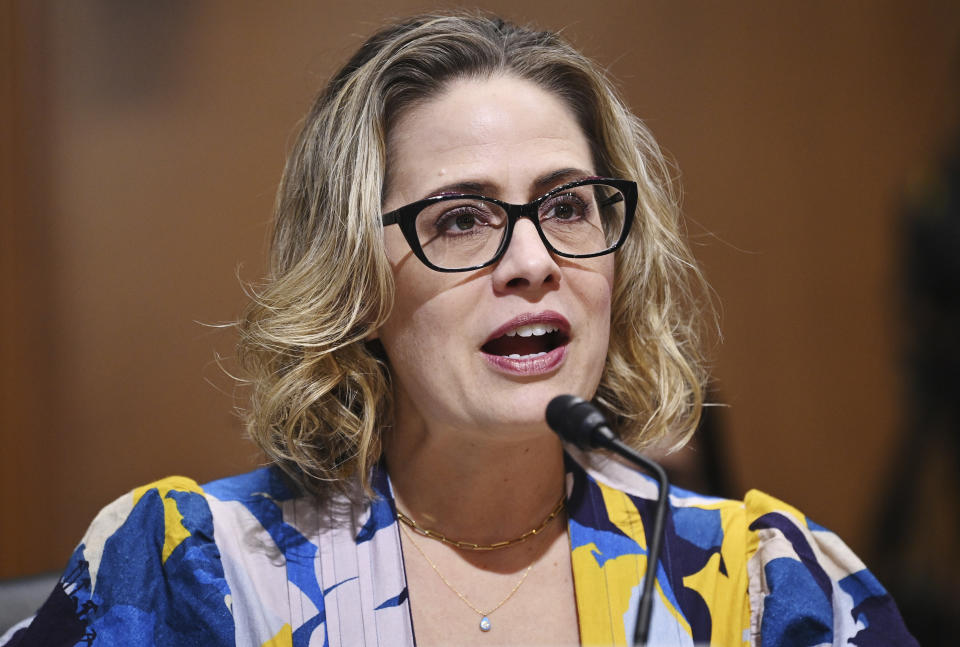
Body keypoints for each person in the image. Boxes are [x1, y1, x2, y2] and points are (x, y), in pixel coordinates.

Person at [2, 13, 916, 647]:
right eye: (459, 219)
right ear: (355, 281)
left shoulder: (764, 590)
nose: (531, 260)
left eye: (568, 206)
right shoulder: (190, 574)